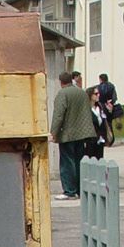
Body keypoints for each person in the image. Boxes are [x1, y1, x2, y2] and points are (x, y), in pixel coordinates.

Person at [49, 70, 95, 199]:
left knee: (67, 163)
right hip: (81, 133)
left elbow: (59, 115)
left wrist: (53, 132)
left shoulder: (62, 94)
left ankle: (69, 190)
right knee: (79, 161)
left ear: (61, 82)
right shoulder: (82, 93)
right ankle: (80, 190)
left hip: (67, 134)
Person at [84, 86, 111, 159]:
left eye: (98, 93)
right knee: (90, 161)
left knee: (100, 161)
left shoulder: (100, 107)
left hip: (100, 139)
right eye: (96, 94)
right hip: (90, 140)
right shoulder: (86, 109)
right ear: (90, 95)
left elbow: (106, 120)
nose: (98, 95)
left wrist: (110, 111)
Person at [97, 73, 118, 145]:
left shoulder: (98, 87)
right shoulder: (111, 86)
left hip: (101, 106)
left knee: (102, 124)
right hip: (109, 107)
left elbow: (97, 98)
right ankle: (111, 139)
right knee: (109, 123)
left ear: (100, 79)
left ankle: (105, 139)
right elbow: (114, 97)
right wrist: (111, 103)